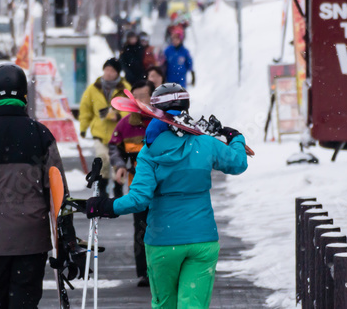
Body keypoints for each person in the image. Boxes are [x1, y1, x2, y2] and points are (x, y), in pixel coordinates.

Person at [85, 83, 249, 308]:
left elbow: (138, 199)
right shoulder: (206, 143)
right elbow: (239, 163)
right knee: (193, 305)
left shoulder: (149, 152)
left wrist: (105, 206)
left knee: (165, 305)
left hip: (163, 242)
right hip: (202, 239)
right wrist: (235, 137)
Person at [0, 63, 82, 307]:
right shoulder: (40, 135)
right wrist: (67, 237)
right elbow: (58, 193)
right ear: (24, 96)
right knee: (25, 302)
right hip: (32, 241)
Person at [107, 80, 154, 287]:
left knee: (165, 226)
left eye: (145, 96)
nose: (141, 101)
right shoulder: (125, 124)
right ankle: (144, 272)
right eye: (136, 98)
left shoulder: (165, 123)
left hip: (165, 188)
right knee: (141, 228)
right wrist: (119, 166)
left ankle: (165, 268)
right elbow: (114, 147)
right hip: (139, 187)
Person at [79, 57, 131, 197]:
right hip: (100, 132)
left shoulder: (125, 88)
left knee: (118, 163)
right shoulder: (93, 88)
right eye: (106, 69)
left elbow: (129, 107)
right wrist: (83, 127)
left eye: (112, 70)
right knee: (102, 159)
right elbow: (86, 108)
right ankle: (102, 190)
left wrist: (119, 116)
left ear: (118, 73)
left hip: (119, 134)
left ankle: (118, 190)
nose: (108, 73)